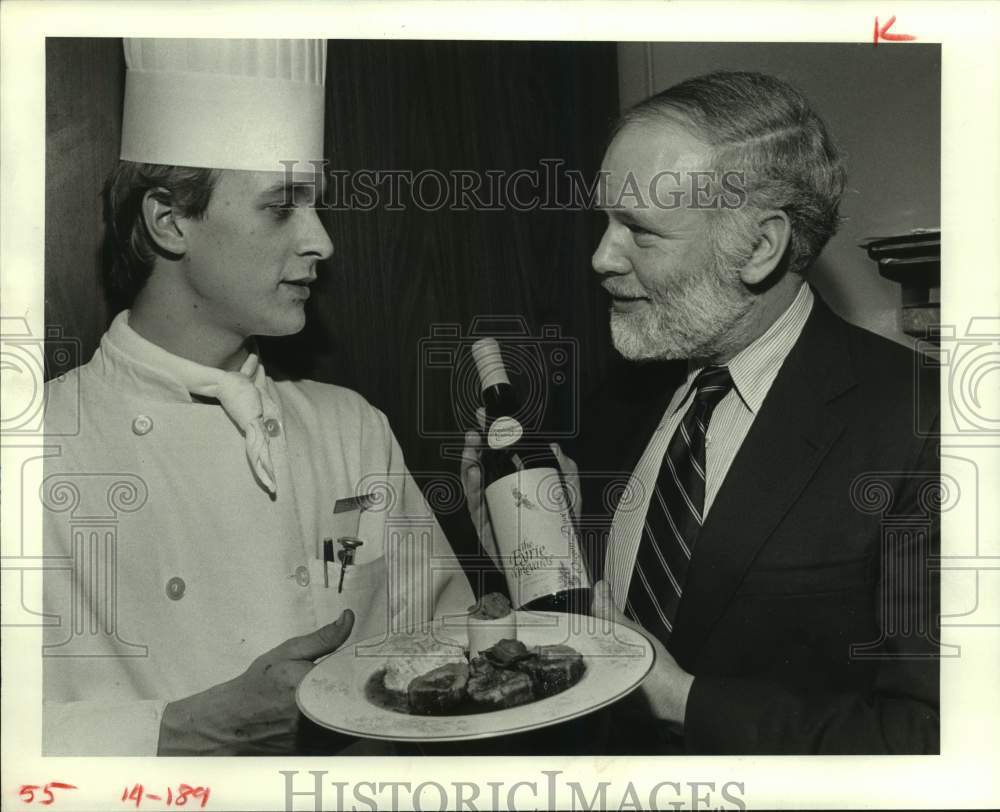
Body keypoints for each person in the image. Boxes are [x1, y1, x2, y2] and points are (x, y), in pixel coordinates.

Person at [464, 70, 939, 755]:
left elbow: (933, 740)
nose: (601, 256)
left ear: (759, 247)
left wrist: (682, 701)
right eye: (604, 220)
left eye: (641, 230)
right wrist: (544, 550)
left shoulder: (923, 423)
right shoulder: (623, 393)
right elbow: (601, 631)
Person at [42, 38, 473, 756]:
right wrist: (185, 730)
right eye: (282, 206)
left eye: (315, 204)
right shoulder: (34, 447)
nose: (322, 242)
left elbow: (446, 644)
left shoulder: (349, 429)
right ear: (169, 220)